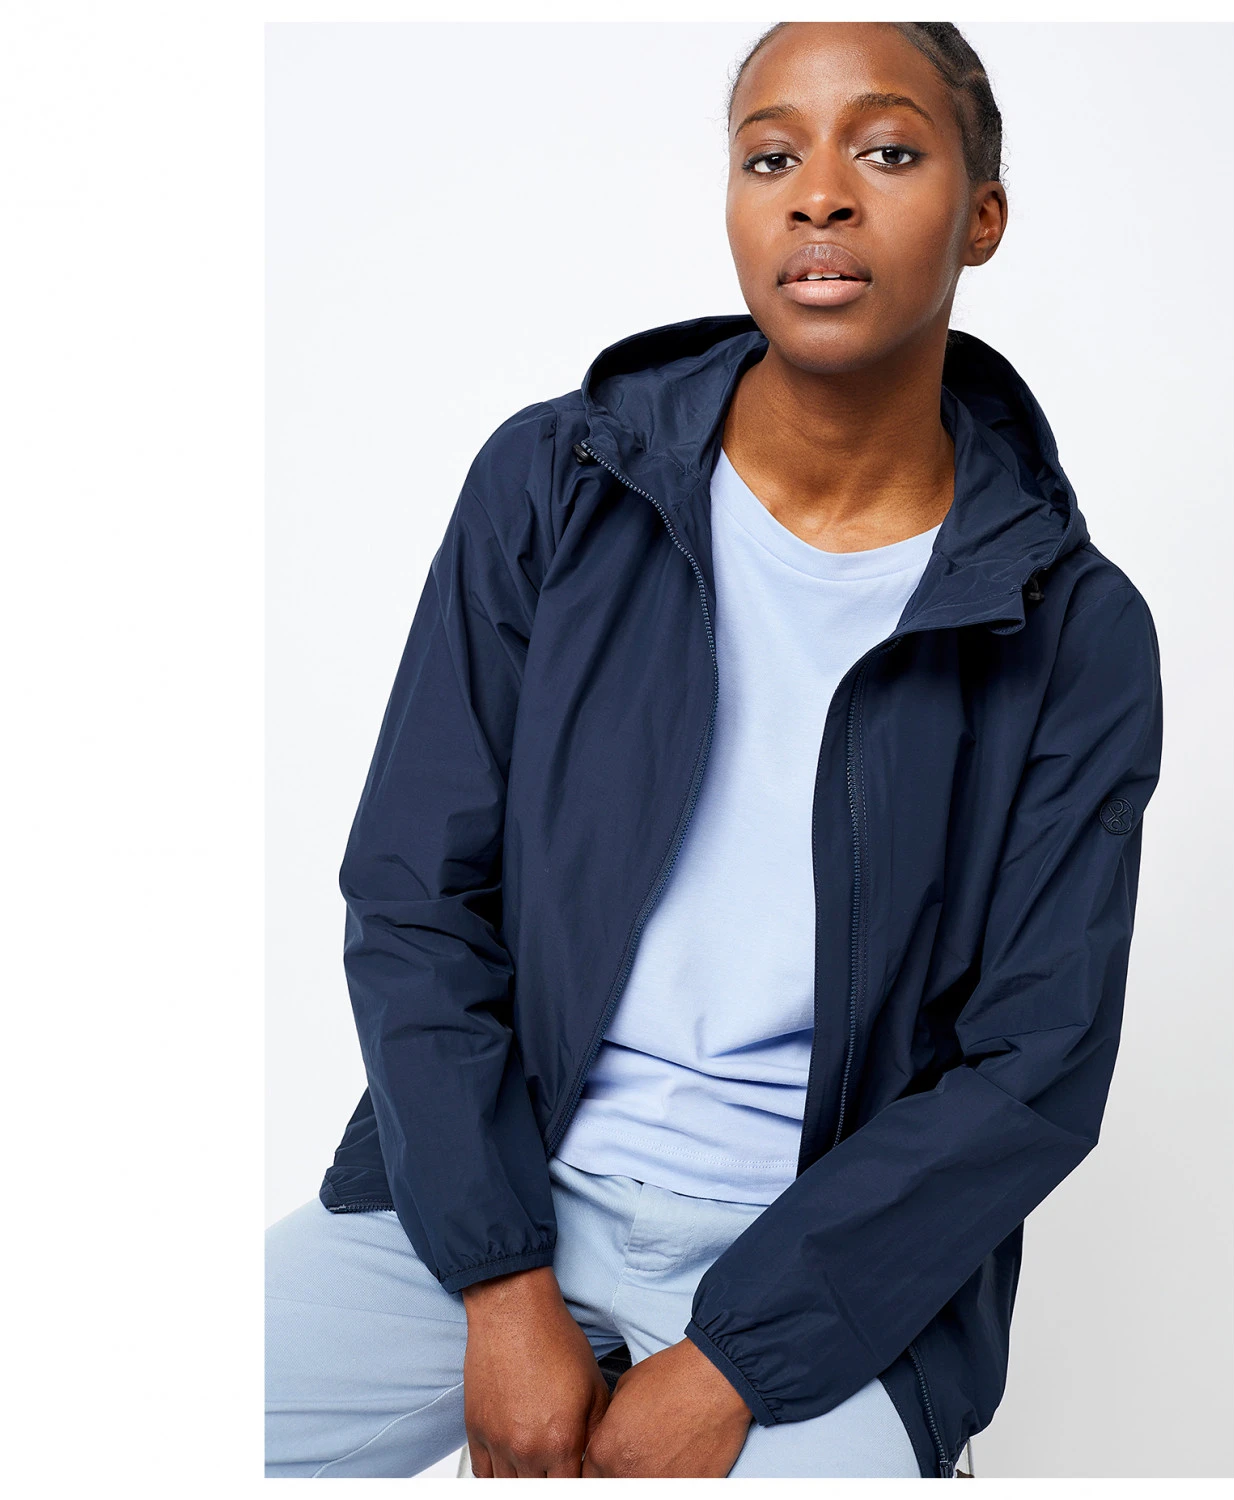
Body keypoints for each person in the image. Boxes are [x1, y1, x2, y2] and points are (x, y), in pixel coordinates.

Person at [265, 19, 1164, 1480]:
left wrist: (738, 1358)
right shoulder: (559, 484)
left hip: (828, 1265)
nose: (821, 194)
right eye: (770, 155)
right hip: (501, 1178)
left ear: (983, 217)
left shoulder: (1074, 627)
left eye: (888, 151)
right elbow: (415, 894)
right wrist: (502, 1283)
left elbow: (1036, 1063)